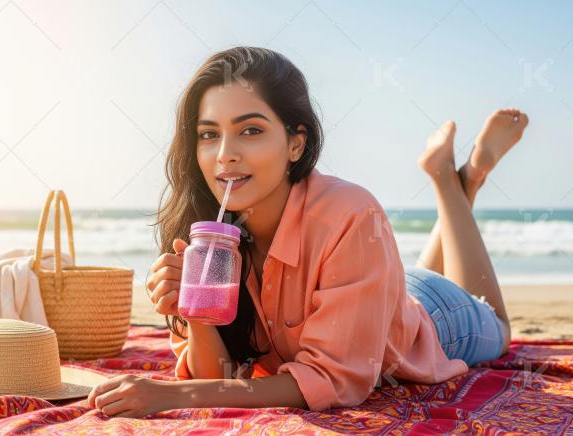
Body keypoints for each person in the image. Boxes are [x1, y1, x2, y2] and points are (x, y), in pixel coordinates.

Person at [88, 46, 529, 418]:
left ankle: (455, 183)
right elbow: (217, 375)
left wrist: (171, 395)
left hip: (434, 316)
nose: (225, 155)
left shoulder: (350, 213)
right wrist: (196, 315)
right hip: (379, 288)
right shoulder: (204, 235)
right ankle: (457, 182)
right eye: (209, 134)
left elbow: (333, 380)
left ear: (295, 143)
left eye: (251, 131)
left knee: (499, 326)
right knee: (398, 292)